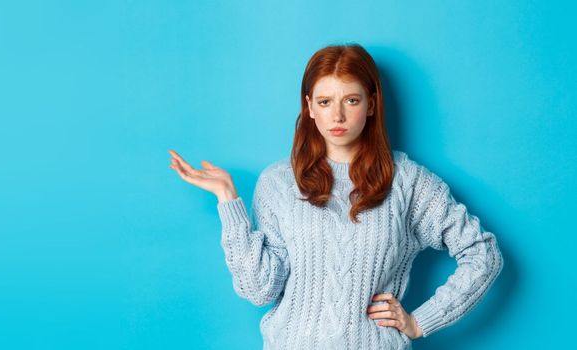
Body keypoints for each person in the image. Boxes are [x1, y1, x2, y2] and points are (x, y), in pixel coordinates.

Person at [167, 44, 503, 349]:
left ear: (371, 104)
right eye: (325, 102)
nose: (337, 116)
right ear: (309, 107)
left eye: (351, 100)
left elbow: (482, 253)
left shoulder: (407, 181)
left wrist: (420, 322)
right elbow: (259, 290)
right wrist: (228, 200)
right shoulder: (279, 182)